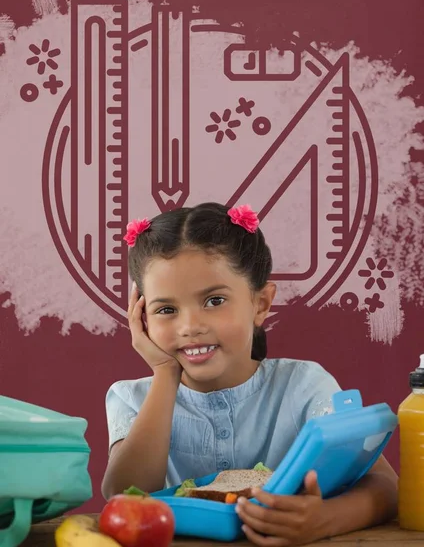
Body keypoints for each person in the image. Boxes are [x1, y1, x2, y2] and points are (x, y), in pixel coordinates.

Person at [102, 202, 398, 546]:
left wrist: (324, 521)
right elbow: (123, 495)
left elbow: (386, 486)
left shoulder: (303, 386)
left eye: (214, 301)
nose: (190, 326)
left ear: (260, 304)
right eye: (166, 309)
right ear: (141, 320)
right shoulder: (131, 398)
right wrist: (165, 373)